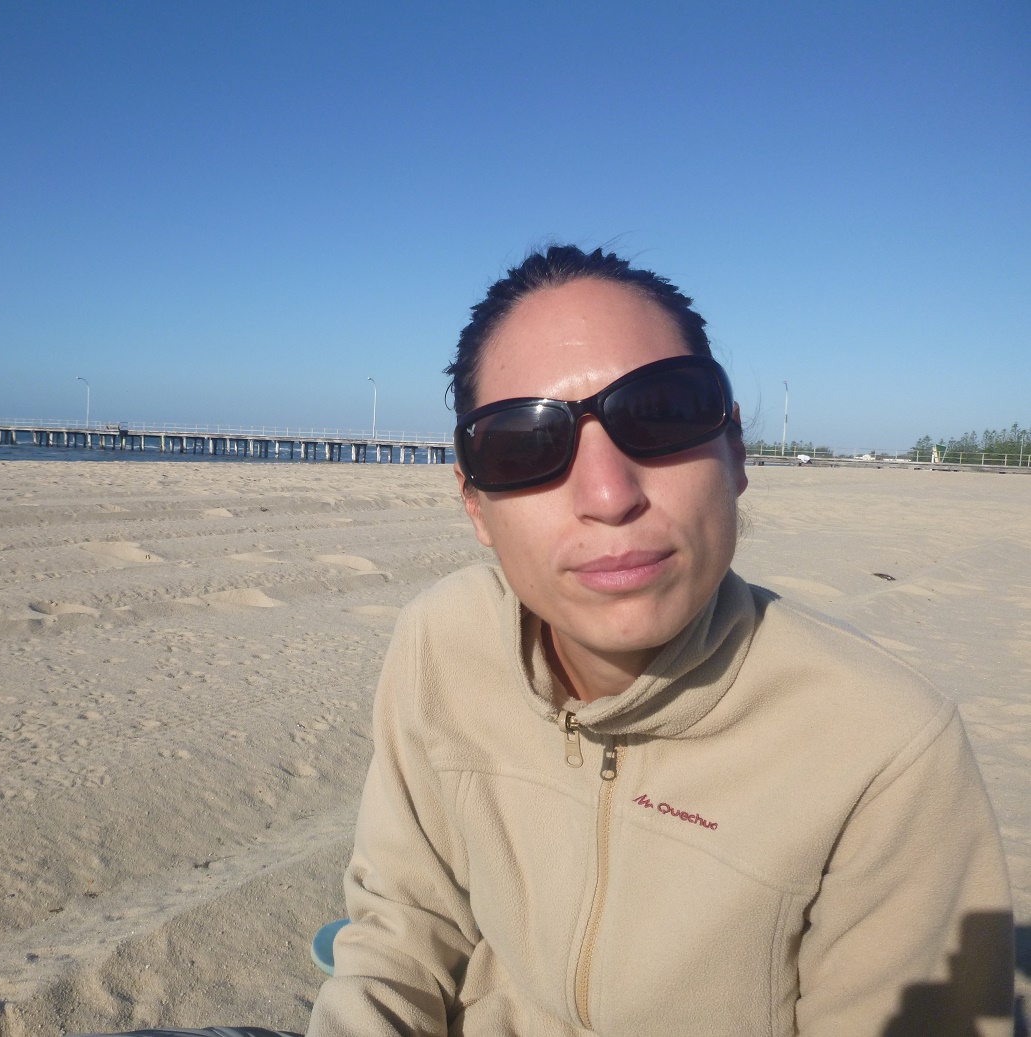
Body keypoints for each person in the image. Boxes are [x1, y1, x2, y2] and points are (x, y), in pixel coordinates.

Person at [306, 245, 1014, 1036]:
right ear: (475, 505)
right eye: (523, 443)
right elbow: (400, 927)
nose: (608, 494)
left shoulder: (882, 749)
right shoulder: (441, 641)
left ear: (733, 453)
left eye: (662, 413)